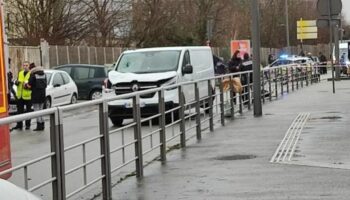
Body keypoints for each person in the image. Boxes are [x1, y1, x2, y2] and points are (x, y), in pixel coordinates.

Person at [12, 61, 32, 130]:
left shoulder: (31, 74)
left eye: (26, 65)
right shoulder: (20, 73)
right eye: (24, 65)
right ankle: (19, 125)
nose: (25, 67)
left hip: (27, 95)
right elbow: (16, 82)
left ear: (29, 66)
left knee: (28, 111)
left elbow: (32, 85)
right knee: (19, 111)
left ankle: (27, 125)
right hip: (20, 95)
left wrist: (26, 85)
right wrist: (17, 82)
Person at [28, 63, 47, 131]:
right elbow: (46, 85)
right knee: (41, 110)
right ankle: (42, 124)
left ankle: (39, 126)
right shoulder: (44, 74)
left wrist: (26, 85)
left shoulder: (33, 75)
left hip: (35, 95)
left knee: (37, 111)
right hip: (42, 95)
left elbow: (29, 85)